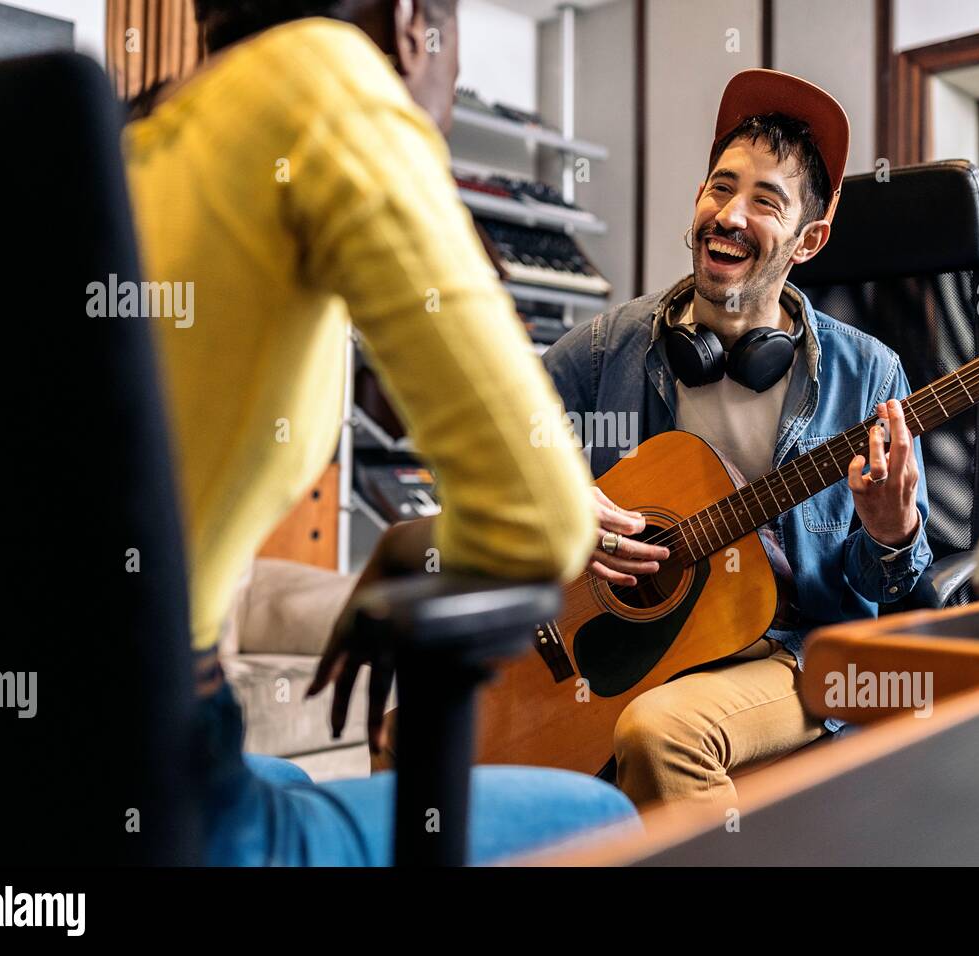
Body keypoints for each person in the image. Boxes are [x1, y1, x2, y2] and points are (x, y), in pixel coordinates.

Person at [123, 0, 637, 864]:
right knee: (605, 816)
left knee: (292, 780)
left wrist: (415, 544)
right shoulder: (327, 81)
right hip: (171, 798)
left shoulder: (125, 135)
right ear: (411, 27)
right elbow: (542, 520)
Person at [542, 70, 933, 808]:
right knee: (419, 725)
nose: (729, 214)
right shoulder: (604, 351)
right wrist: (559, 510)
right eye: (720, 188)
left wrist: (892, 531)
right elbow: (496, 454)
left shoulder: (869, 374)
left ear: (810, 240)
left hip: (794, 651)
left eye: (765, 201)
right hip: (637, 645)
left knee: (660, 733)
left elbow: (899, 595)